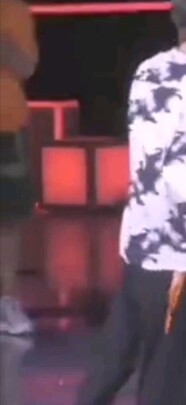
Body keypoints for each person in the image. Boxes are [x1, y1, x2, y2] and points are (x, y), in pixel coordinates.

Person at [75, 0, 186, 403]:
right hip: (178, 257)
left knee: (114, 361)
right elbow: (177, 170)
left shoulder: (149, 70)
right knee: (172, 378)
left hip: (140, 244)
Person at [0, 0, 39, 336]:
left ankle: (5, 301)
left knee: (8, 219)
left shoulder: (13, 8)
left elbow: (26, 66)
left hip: (6, 125)